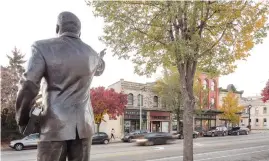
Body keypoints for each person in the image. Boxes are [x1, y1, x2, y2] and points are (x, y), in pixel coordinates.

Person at [15, 11, 106, 161]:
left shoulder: (42, 47)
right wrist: (100, 57)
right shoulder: (92, 54)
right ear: (80, 32)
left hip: (54, 126)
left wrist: (23, 119)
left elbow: (29, 84)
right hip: (84, 126)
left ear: (57, 28)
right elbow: (101, 69)